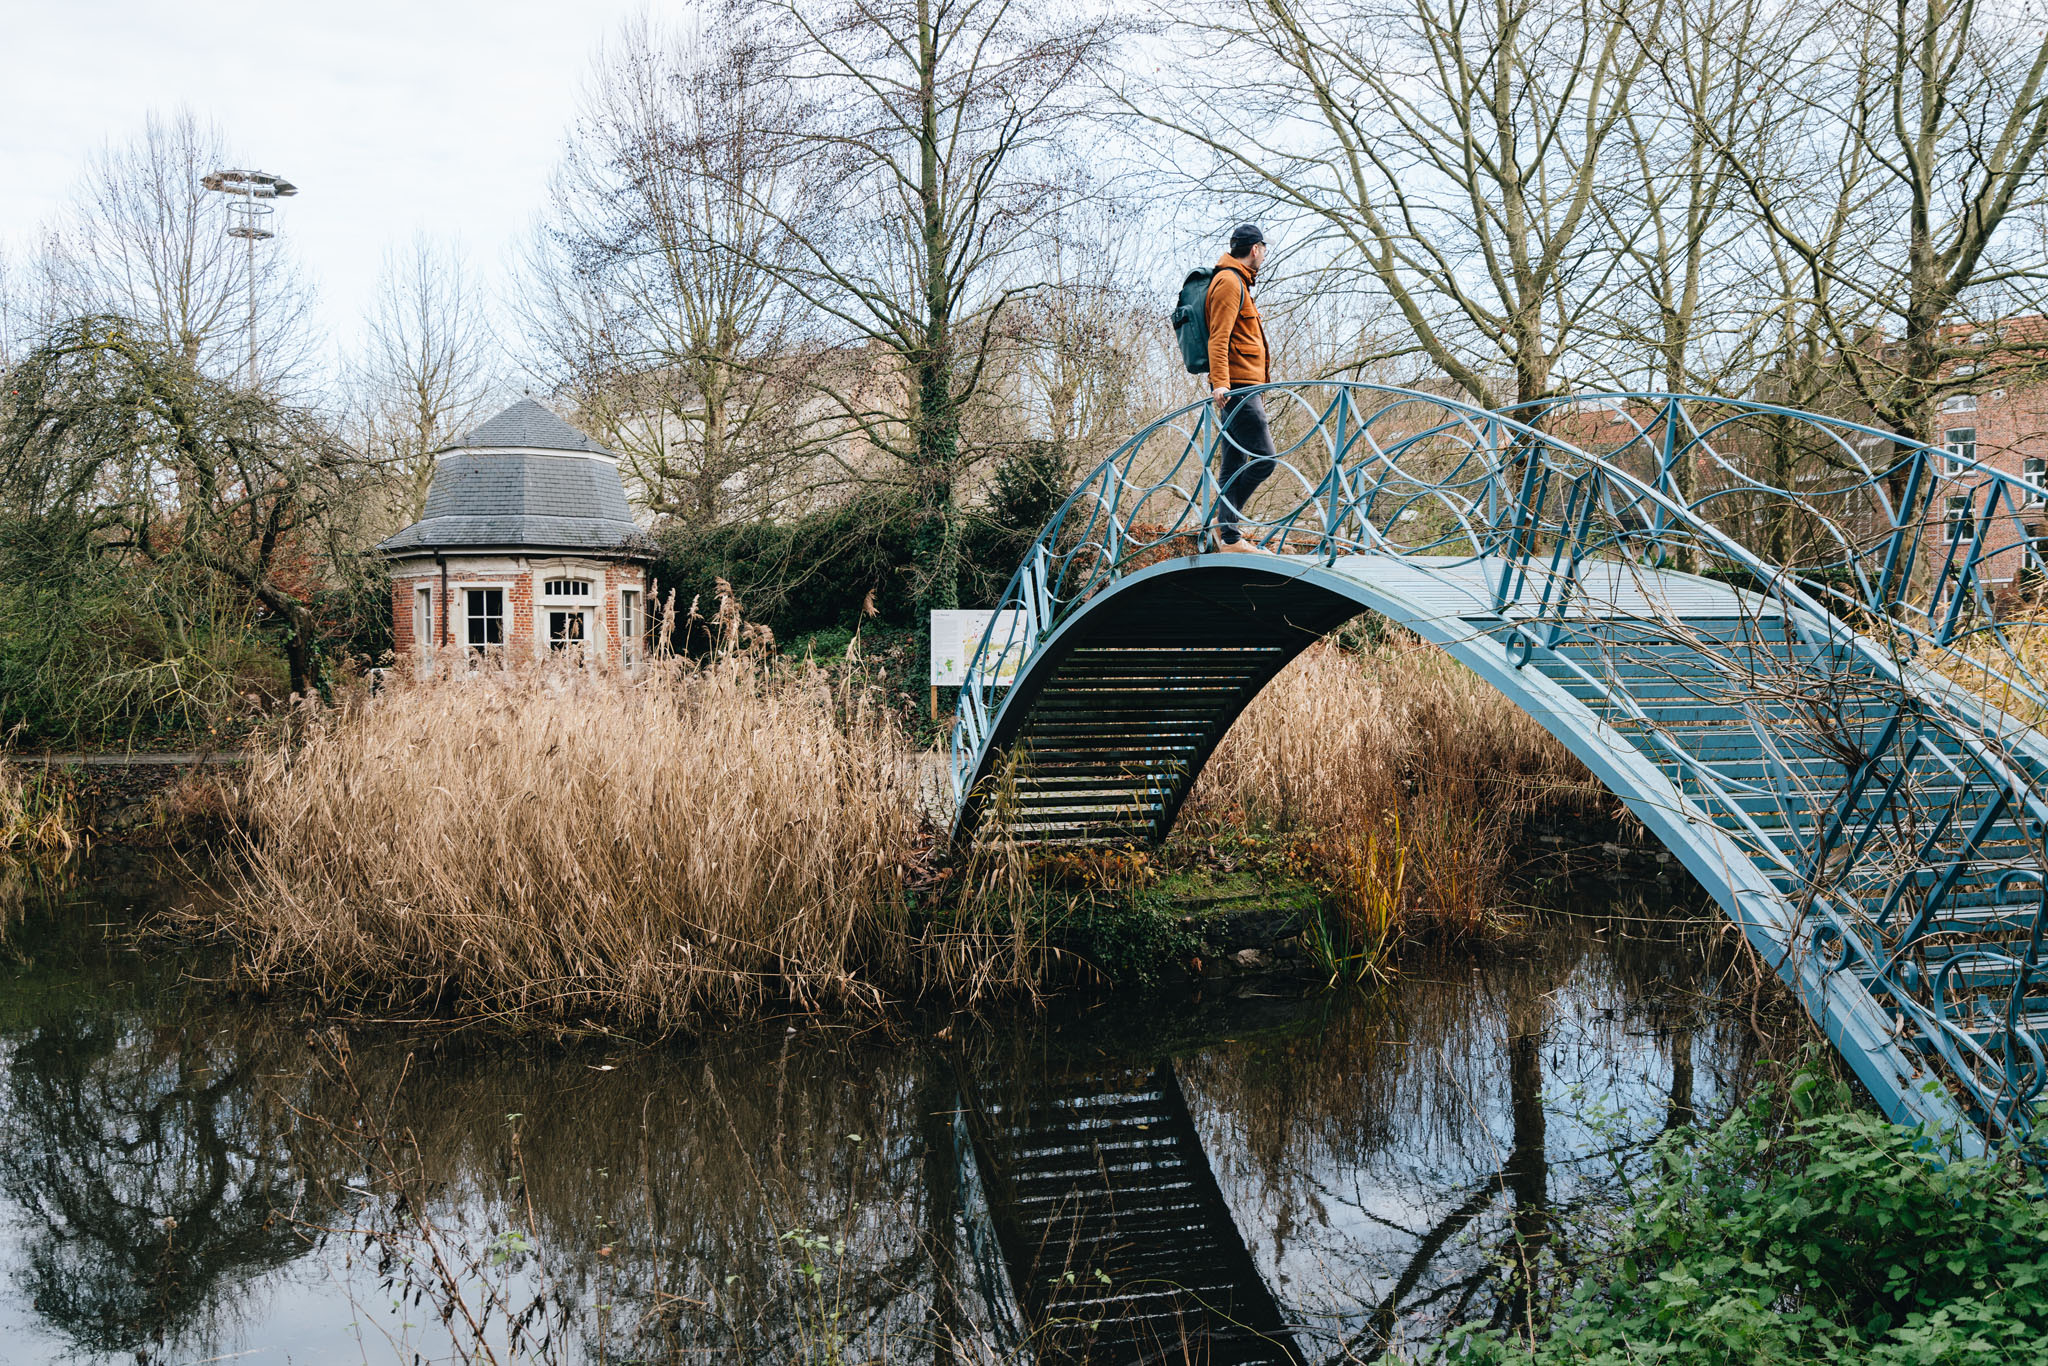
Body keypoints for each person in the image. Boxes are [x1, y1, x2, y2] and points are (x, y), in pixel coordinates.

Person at [1205, 222, 1277, 553]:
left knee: (1233, 463)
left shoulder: (1238, 282)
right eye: (1264, 249)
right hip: (1239, 388)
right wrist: (1221, 384)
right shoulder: (1229, 283)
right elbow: (1218, 337)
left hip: (1246, 386)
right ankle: (1227, 528)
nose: (1264, 255)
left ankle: (1228, 536)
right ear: (1255, 249)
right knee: (1265, 460)